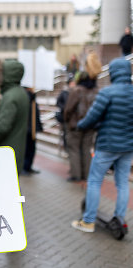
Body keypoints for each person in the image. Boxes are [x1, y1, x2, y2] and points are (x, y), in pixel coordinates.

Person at [71, 57, 133, 232]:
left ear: (113, 73)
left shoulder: (107, 93)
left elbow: (92, 116)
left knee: (94, 181)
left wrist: (80, 125)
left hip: (107, 145)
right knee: (122, 183)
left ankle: (88, 221)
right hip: (128, 146)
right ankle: (119, 219)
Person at [63, 52, 101, 182]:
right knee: (86, 149)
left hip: (75, 125)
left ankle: (76, 175)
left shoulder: (77, 90)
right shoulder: (96, 91)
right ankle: (86, 174)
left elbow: (68, 109)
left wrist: (67, 120)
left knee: (74, 150)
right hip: (90, 125)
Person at [0, 59, 29, 174]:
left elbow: (3, 126)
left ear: (7, 75)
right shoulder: (20, 93)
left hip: (7, 151)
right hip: (15, 150)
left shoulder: (10, 96)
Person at [22, 87, 43, 175]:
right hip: (27, 129)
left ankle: (28, 167)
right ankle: (24, 168)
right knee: (27, 149)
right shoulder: (25, 97)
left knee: (32, 149)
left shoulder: (33, 99)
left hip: (32, 128)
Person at [55, 75, 73, 150]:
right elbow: (58, 102)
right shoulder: (64, 92)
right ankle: (66, 148)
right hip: (65, 117)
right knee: (65, 133)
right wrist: (64, 108)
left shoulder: (76, 92)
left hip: (72, 117)